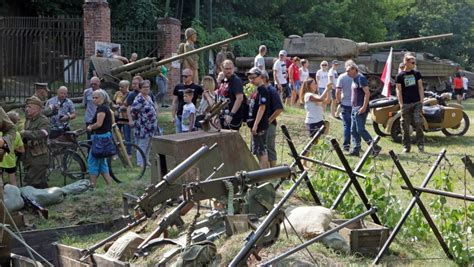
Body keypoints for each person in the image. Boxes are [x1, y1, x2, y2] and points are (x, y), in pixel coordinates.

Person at [346, 62, 381, 157]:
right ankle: (356, 149)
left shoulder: (361, 78)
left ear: (354, 69)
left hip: (360, 108)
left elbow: (367, 93)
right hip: (354, 107)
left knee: (360, 129)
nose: (347, 73)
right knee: (353, 130)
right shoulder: (354, 79)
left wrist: (364, 107)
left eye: (348, 71)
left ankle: (375, 147)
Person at [395, 54, 425, 153]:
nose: (414, 64)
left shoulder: (417, 73)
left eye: (414, 62)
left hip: (416, 102)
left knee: (418, 122)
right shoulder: (400, 76)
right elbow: (398, 90)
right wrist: (401, 103)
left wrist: (421, 100)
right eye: (412, 62)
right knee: (405, 125)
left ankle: (420, 143)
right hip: (406, 104)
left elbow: (420, 87)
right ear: (406, 63)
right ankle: (406, 146)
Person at [86, 89, 114, 187]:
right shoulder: (104, 107)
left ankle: (92, 185)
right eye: (93, 98)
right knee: (102, 163)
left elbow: (99, 123)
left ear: (102, 98)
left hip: (100, 138)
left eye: (96, 98)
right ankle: (110, 185)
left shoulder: (102, 109)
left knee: (92, 161)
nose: (94, 100)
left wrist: (90, 127)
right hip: (104, 137)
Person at [22, 96, 50, 188]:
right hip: (29, 156)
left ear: (37, 109)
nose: (27, 109)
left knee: (31, 182)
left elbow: (44, 133)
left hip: (39, 157)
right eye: (26, 107)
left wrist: (26, 133)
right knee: (39, 182)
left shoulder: (43, 120)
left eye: (29, 107)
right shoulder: (28, 120)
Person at [246, 67, 270, 169]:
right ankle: (267, 172)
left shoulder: (262, 90)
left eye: (253, 78)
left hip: (260, 125)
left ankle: (263, 175)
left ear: (260, 77)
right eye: (250, 78)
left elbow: (262, 107)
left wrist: (255, 125)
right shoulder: (256, 90)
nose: (251, 80)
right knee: (257, 150)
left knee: (261, 151)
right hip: (254, 124)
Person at [130, 80, 158, 167]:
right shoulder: (139, 99)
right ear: (140, 88)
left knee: (149, 144)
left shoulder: (149, 97)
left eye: (148, 87)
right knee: (142, 144)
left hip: (151, 126)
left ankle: (146, 160)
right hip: (143, 126)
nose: (146, 89)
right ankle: (140, 163)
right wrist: (140, 120)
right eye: (144, 87)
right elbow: (133, 111)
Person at [216, 60, 246, 130]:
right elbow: (218, 96)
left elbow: (239, 98)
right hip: (223, 115)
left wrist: (231, 115)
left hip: (233, 116)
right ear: (222, 69)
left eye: (230, 68)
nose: (229, 71)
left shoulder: (236, 80)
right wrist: (219, 81)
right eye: (226, 69)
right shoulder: (223, 80)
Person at [263, 70, 284, 167]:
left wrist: (270, 119)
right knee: (264, 147)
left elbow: (279, 109)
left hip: (269, 124)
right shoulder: (261, 90)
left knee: (270, 147)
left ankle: (273, 170)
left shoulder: (271, 90)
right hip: (262, 124)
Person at [171, 68, 203, 133]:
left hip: (190, 116)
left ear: (191, 76)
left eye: (185, 76)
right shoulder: (178, 87)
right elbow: (174, 102)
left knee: (189, 136)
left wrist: (199, 110)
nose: (183, 77)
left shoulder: (196, 87)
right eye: (182, 76)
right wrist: (173, 116)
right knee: (178, 137)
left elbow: (204, 98)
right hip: (179, 115)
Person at [0, 111, 24, 186]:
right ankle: (16, 195)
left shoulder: (1, 133)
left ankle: (2, 196)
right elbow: (22, 150)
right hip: (11, 160)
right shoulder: (17, 134)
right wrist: (12, 148)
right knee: (13, 181)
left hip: (1, 161)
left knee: (0, 181)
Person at [336, 60, 355, 152]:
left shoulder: (342, 77)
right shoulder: (357, 77)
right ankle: (356, 145)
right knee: (354, 126)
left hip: (345, 103)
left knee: (347, 125)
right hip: (355, 104)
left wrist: (339, 102)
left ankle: (346, 145)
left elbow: (338, 91)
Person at [112, 80, 131, 155]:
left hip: (126, 117)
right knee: (117, 135)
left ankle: (128, 153)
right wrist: (115, 106)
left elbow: (131, 106)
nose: (120, 88)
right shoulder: (117, 94)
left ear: (127, 87)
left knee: (127, 136)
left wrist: (124, 107)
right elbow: (112, 103)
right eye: (119, 86)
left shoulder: (130, 95)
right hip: (118, 117)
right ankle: (117, 152)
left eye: (122, 87)